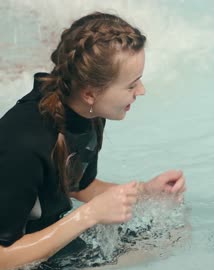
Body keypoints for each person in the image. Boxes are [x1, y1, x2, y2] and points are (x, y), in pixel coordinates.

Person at [0, 12, 186, 269]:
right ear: (90, 93)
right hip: (15, 255)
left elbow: (78, 186)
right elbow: (2, 257)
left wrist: (144, 192)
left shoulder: (88, 112)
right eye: (132, 85)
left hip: (47, 239)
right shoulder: (23, 143)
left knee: (172, 235)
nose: (141, 91)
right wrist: (88, 215)